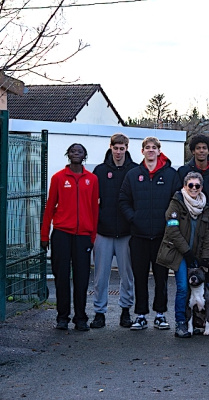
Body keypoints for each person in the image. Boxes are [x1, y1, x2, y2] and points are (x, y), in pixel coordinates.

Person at [119, 136, 181, 331]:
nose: (151, 150)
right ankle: (141, 314)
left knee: (161, 277)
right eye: (147, 147)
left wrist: (170, 226)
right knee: (139, 276)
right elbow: (123, 200)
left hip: (163, 237)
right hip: (139, 235)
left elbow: (178, 202)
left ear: (159, 151)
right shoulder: (132, 174)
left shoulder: (171, 174)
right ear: (142, 151)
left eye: (154, 148)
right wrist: (133, 218)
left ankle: (160, 314)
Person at [41, 143, 99, 331]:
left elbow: (94, 209)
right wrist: (44, 236)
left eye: (79, 151)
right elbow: (49, 208)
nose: (76, 154)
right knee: (62, 277)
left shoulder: (92, 179)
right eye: (73, 151)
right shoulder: (58, 178)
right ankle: (62, 317)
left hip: (83, 236)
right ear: (68, 154)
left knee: (82, 278)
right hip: (62, 235)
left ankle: (80, 318)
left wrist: (92, 236)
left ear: (84, 155)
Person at [89, 133, 138, 329]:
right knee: (101, 275)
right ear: (110, 147)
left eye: (122, 148)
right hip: (103, 231)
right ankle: (99, 313)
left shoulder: (135, 171)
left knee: (127, 275)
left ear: (127, 148)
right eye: (115, 148)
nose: (118, 152)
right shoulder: (99, 171)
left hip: (127, 233)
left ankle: (126, 311)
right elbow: (93, 200)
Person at [156, 172, 209, 338]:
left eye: (197, 186)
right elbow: (172, 230)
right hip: (179, 252)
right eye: (190, 185)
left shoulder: (205, 207)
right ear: (184, 186)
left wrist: (206, 257)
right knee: (182, 287)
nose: (194, 188)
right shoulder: (176, 204)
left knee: (200, 288)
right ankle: (181, 322)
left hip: (197, 253)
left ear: (201, 187)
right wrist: (187, 252)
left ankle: (197, 322)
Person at [178, 134, 209, 310]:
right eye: (198, 148)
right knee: (187, 277)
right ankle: (188, 316)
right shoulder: (183, 172)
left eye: (204, 148)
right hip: (188, 232)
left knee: (208, 273)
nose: (201, 151)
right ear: (193, 151)